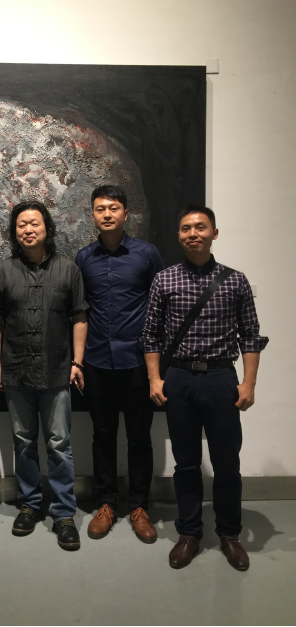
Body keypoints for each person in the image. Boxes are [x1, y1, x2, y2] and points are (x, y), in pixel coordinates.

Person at [141, 205, 268, 571]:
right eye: (186, 228)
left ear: (214, 233)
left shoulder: (235, 280)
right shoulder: (164, 280)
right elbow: (150, 335)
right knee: (186, 463)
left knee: (227, 463)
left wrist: (248, 383)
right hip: (179, 379)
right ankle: (190, 532)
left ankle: (229, 533)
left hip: (220, 378)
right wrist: (154, 378)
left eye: (200, 227)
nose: (193, 233)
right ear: (178, 235)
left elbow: (250, 336)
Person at [0, 201, 88, 551]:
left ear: (47, 229)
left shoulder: (68, 270)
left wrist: (77, 362)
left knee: (59, 444)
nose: (28, 229)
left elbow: (79, 317)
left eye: (34, 224)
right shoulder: (2, 271)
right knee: (23, 442)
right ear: (14, 232)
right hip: (15, 370)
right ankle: (29, 505)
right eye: (21, 225)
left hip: (57, 371)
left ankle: (63, 513)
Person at [75, 185, 163, 543]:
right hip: (97, 361)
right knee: (102, 436)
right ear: (92, 215)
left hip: (138, 362)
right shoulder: (83, 258)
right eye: (100, 208)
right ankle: (107, 504)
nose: (107, 214)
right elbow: (80, 311)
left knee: (140, 437)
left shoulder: (147, 254)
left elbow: (159, 307)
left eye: (113, 208)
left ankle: (139, 506)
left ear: (126, 213)